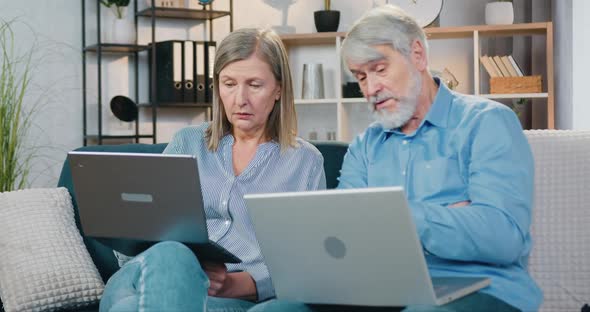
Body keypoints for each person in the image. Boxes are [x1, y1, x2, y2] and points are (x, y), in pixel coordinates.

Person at [250, 4, 542, 312]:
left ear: (417, 55)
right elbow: (347, 232)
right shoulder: (365, 146)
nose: (371, 88)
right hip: (381, 287)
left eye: (379, 69)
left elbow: (501, 237)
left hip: (480, 287)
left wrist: (403, 216)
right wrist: (447, 215)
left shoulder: (486, 123)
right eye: (361, 76)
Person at [98, 28, 326, 312]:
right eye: (229, 83)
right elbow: (142, 233)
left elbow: (310, 263)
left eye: (254, 85)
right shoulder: (187, 142)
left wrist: (241, 284)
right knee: (166, 260)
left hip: (228, 297)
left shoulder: (304, 162)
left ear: (279, 88)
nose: (240, 99)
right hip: (151, 274)